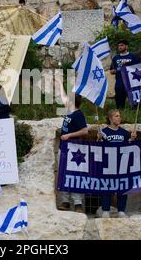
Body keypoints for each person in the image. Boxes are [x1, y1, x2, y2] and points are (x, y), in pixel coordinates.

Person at [55, 75, 88, 213]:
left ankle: (78, 203)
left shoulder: (78, 114)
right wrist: (58, 82)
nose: (66, 99)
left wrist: (69, 135)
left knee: (75, 174)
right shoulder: (69, 111)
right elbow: (62, 97)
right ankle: (65, 201)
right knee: (64, 173)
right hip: (64, 148)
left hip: (75, 150)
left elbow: (85, 131)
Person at [97, 109, 136, 218]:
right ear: (110, 118)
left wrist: (132, 139)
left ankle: (121, 210)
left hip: (121, 165)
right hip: (107, 165)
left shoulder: (124, 133)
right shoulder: (103, 132)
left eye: (119, 116)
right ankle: (105, 210)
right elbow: (98, 148)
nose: (119, 118)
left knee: (122, 186)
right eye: (116, 116)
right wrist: (99, 139)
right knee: (106, 185)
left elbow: (129, 147)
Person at [110, 40, 139, 109]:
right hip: (119, 84)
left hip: (132, 83)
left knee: (135, 104)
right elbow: (111, 71)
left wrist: (128, 66)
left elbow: (139, 68)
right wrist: (118, 69)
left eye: (122, 45)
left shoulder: (133, 56)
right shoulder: (116, 58)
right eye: (119, 46)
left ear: (126, 46)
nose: (120, 47)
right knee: (119, 104)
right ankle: (120, 115)